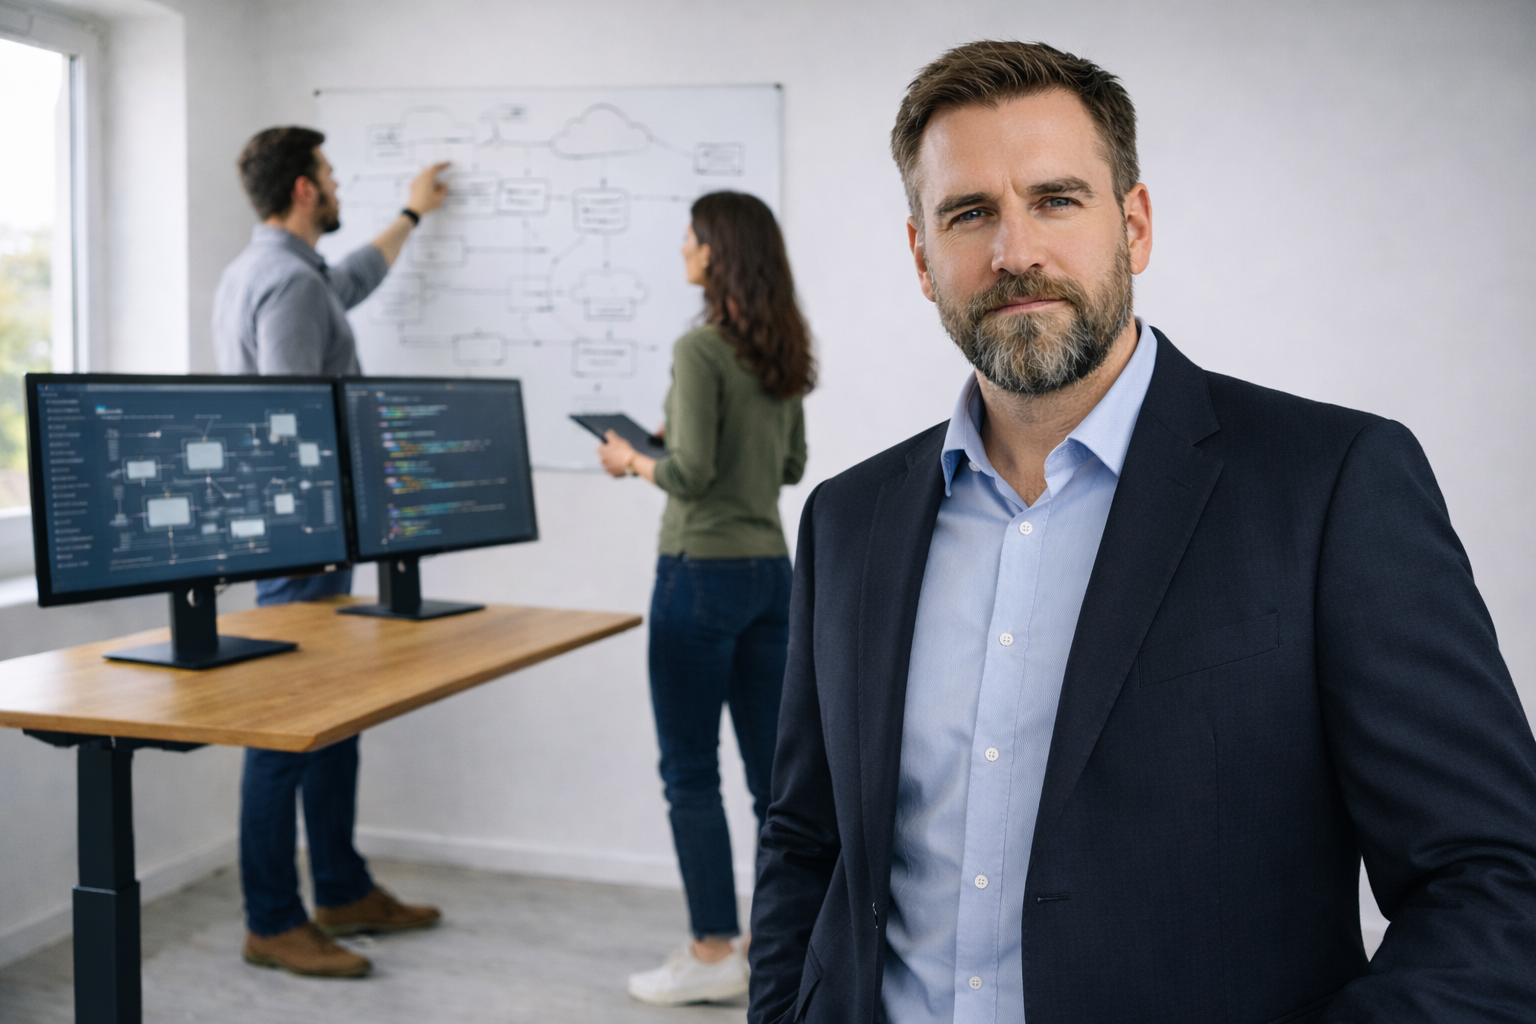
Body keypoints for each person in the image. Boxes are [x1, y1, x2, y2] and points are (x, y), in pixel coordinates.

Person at [748, 41, 1536, 1024]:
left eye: (1056, 199)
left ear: (1136, 223)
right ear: (921, 255)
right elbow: (804, 835)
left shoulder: (1332, 483)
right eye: (969, 212)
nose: (1015, 251)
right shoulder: (847, 518)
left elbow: (1492, 879)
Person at [213, 126, 449, 978]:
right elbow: (291, 420)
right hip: (305, 537)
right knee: (287, 728)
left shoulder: (276, 272)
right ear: (308, 189)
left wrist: (410, 215)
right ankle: (272, 919)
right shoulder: (287, 283)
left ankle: (342, 888)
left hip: (305, 536)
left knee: (330, 717)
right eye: (332, 173)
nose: (338, 183)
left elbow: (349, 280)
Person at [596, 191, 813, 1006]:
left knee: (689, 773)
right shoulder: (780, 347)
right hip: (770, 574)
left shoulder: (700, 350)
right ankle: (772, 945)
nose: (682, 247)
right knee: (772, 782)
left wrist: (632, 460)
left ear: (715, 251)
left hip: (698, 573)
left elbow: (687, 475)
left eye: (689, 236)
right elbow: (789, 466)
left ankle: (713, 950)